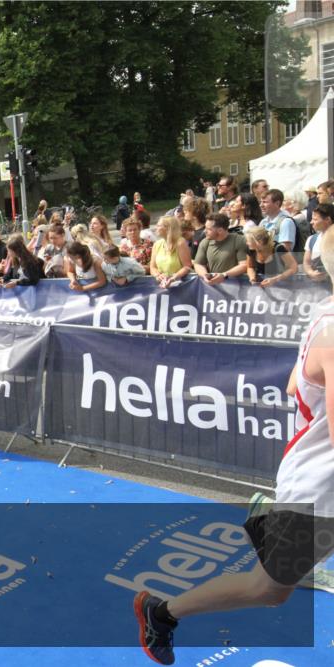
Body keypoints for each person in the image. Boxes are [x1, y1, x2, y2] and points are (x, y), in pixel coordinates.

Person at [133, 230, 334, 665]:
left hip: (312, 479)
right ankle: (161, 613)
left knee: (268, 590)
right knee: (268, 590)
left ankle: (162, 613)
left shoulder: (324, 316)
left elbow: (293, 383)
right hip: (320, 490)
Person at [193, 213, 248, 285]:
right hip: (213, 286)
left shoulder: (239, 240)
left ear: (220, 230)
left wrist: (224, 275)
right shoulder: (205, 242)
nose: (204, 231)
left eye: (208, 229)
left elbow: (244, 265)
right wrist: (205, 275)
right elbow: (198, 264)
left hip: (235, 286)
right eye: (205, 228)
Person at [149, 216, 193, 289]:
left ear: (168, 228)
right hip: (162, 286)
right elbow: (152, 267)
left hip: (181, 286)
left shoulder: (180, 243)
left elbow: (187, 266)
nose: (156, 227)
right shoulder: (157, 244)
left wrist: (173, 278)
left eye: (159, 225)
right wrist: (157, 275)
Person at [304, 202, 334, 283]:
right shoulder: (312, 239)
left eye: (315, 219)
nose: (311, 222)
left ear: (328, 219)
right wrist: (311, 273)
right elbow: (306, 262)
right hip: (318, 288)